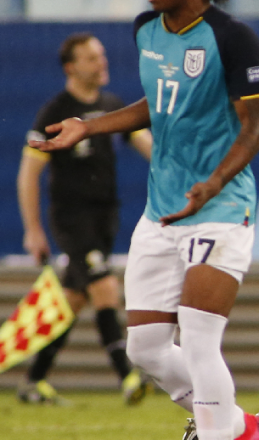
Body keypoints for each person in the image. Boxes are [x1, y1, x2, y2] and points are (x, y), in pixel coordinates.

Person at [30, 1, 259, 439]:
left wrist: (216, 181)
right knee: (145, 350)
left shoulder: (233, 37)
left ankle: (218, 433)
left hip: (219, 210)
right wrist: (91, 127)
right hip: (160, 213)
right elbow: (163, 100)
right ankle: (242, 427)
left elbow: (257, 125)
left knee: (200, 339)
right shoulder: (146, 28)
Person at [17, 32, 154, 405]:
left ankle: (34, 381)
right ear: (71, 67)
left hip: (105, 216)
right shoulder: (54, 111)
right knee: (106, 289)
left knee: (74, 299)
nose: (102, 63)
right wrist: (33, 230)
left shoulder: (112, 105)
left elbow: (148, 147)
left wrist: (180, 173)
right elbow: (29, 174)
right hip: (71, 219)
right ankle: (128, 377)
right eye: (92, 58)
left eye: (102, 56)